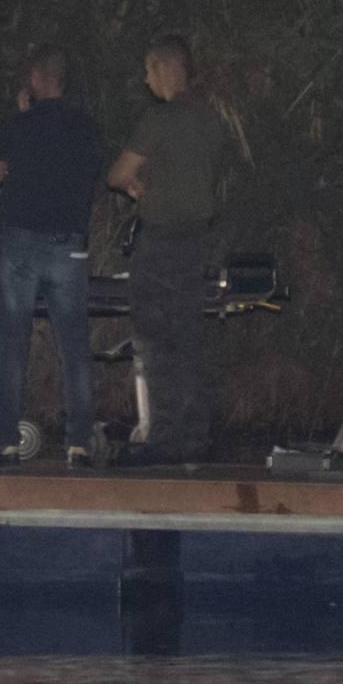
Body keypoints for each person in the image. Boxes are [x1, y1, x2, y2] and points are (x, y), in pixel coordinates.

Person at [0, 45, 104, 470]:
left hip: (21, 241)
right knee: (74, 344)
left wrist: (21, 119)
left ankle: (7, 442)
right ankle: (80, 443)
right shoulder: (85, 127)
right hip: (69, 243)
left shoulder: (17, 125)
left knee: (12, 342)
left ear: (36, 78)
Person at [107, 35, 225, 465]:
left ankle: (165, 439)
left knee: (157, 341)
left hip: (162, 241)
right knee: (189, 339)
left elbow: (118, 173)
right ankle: (195, 434)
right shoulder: (211, 120)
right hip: (198, 240)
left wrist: (138, 188)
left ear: (164, 67)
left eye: (148, 69)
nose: (145, 79)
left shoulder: (159, 119)